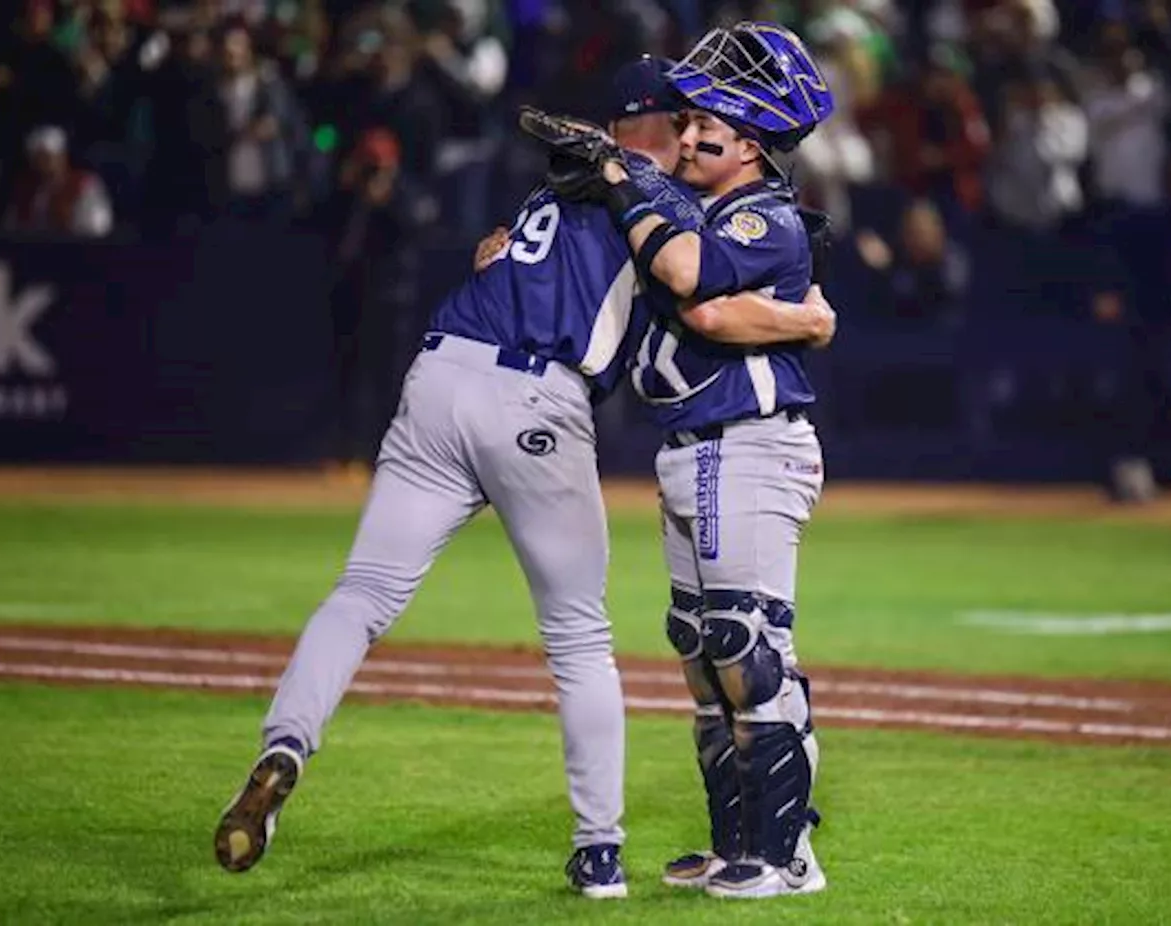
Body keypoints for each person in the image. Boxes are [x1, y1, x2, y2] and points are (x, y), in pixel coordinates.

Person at [212, 55, 835, 900]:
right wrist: (807, 315)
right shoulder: (660, 201)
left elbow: (511, 257)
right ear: (652, 129)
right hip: (537, 400)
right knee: (583, 640)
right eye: (682, 120)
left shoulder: (562, 189)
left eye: (704, 123)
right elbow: (701, 294)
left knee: (361, 592)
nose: (695, 132)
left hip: (437, 372)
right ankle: (600, 852)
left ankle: (285, 744)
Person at [543, 22, 836, 900]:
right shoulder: (702, 203)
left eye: (708, 126)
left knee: (748, 649)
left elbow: (697, 286)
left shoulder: (760, 213)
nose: (688, 133)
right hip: (696, 448)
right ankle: (735, 844)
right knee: (707, 657)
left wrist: (624, 177)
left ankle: (786, 858)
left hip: (746, 442)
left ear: (750, 145)